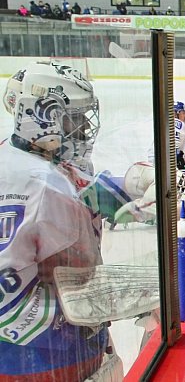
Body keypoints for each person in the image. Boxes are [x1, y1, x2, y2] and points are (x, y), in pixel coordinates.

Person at [0, 62, 110, 379]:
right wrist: (74, 321)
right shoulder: (18, 181)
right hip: (35, 358)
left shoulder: (58, 162)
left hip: (75, 340)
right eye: (73, 118)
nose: (84, 129)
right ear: (34, 114)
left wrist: (96, 323)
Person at [173, 101, 185, 170]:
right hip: (168, 169)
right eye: (183, 112)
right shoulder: (177, 123)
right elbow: (173, 146)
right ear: (176, 113)